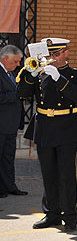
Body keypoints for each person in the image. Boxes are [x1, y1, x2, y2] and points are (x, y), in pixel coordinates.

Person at [17, 38, 77, 230]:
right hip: (45, 127)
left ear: (66, 53)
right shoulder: (40, 73)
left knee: (67, 175)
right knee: (48, 174)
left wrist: (59, 78)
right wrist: (31, 74)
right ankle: (52, 214)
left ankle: (71, 215)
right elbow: (22, 92)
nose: (52, 58)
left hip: (67, 128)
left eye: (56, 54)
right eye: (49, 54)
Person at [0, 45, 27, 197]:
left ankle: (9, 186)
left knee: (8, 158)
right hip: (2, 124)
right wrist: (17, 94)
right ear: (5, 58)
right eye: (15, 62)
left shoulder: (10, 73)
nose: (18, 65)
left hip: (10, 124)